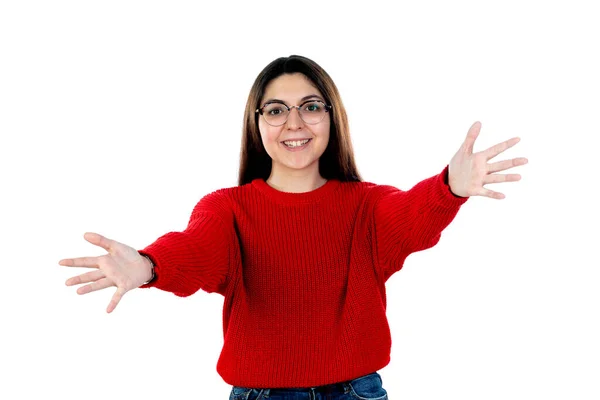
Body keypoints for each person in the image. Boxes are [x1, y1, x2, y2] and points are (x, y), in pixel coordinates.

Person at [59, 55, 528, 399]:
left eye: (311, 106)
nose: (295, 122)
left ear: (331, 117)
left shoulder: (366, 206)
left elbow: (410, 217)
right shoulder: (228, 209)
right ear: (257, 123)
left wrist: (450, 188)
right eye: (277, 109)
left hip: (356, 393)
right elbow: (196, 248)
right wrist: (148, 264)